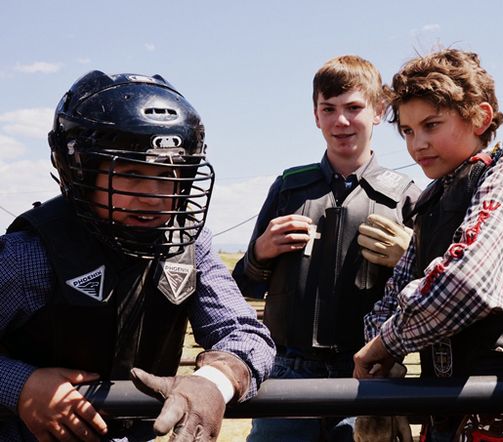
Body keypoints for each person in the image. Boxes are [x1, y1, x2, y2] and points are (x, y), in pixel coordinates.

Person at [0, 71, 275, 441]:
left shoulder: (189, 246)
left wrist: (214, 381)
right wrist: (21, 388)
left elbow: (245, 334)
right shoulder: (30, 254)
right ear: (80, 168)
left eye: (167, 174)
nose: (152, 195)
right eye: (130, 174)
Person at [353, 49, 503, 441]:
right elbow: (394, 293)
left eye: (431, 125)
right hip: (448, 408)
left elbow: (470, 282)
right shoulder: (431, 200)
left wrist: (387, 343)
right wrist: (380, 362)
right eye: (407, 131)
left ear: (480, 117)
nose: (417, 143)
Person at [232, 55, 421, 441]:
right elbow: (242, 288)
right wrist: (259, 254)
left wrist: (411, 258)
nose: (341, 122)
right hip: (286, 372)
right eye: (328, 109)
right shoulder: (288, 188)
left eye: (354, 107)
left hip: (368, 373)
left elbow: (432, 293)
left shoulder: (405, 197)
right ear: (315, 115)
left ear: (379, 111)